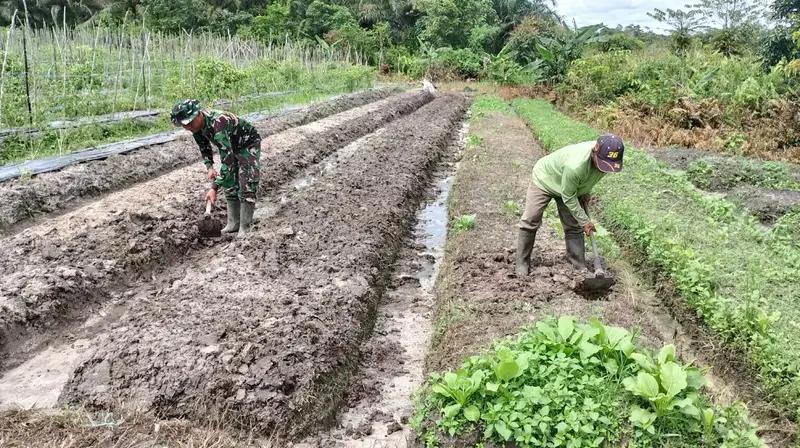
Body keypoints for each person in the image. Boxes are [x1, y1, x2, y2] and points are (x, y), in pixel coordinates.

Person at [515, 134, 624, 275]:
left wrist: (585, 191)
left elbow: (590, 177)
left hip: (569, 184)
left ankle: (578, 266)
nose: (606, 169)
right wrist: (585, 221)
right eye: (603, 164)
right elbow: (568, 197)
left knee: (573, 225)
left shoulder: (608, 160)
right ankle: (522, 264)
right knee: (531, 218)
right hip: (545, 179)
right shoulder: (576, 165)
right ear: (594, 152)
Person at [170, 99, 262, 238]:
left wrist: (214, 188)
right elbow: (204, 147)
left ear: (199, 114)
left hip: (247, 144)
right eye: (185, 125)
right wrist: (209, 167)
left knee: (246, 182)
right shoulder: (196, 127)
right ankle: (233, 224)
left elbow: (228, 161)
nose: (189, 127)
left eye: (190, 123)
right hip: (231, 146)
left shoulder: (218, 124)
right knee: (229, 182)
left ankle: (244, 227)